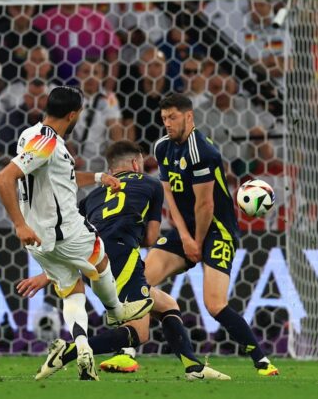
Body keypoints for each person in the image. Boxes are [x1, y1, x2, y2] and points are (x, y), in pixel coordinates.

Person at [18, 141, 229, 381]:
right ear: (135, 162)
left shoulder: (93, 197)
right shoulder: (151, 185)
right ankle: (68, 351)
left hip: (95, 258)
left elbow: (73, 241)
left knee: (167, 304)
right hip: (122, 255)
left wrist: (46, 276)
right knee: (139, 333)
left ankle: (194, 368)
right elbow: (150, 238)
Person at [0, 87, 154, 380]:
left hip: (40, 244)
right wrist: (18, 224)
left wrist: (96, 178)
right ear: (73, 114)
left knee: (72, 291)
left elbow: (59, 178)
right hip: (64, 232)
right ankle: (117, 311)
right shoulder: (47, 144)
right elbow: (4, 178)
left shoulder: (30, 136)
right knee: (101, 263)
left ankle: (82, 349)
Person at [150, 93, 279, 377]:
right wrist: (184, 236)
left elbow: (205, 205)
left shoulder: (202, 152)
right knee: (137, 285)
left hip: (216, 230)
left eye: (172, 118)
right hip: (186, 231)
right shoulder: (162, 147)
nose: (168, 124)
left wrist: (196, 240)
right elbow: (168, 194)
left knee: (215, 304)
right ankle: (131, 352)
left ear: (189, 116)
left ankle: (262, 361)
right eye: (164, 119)